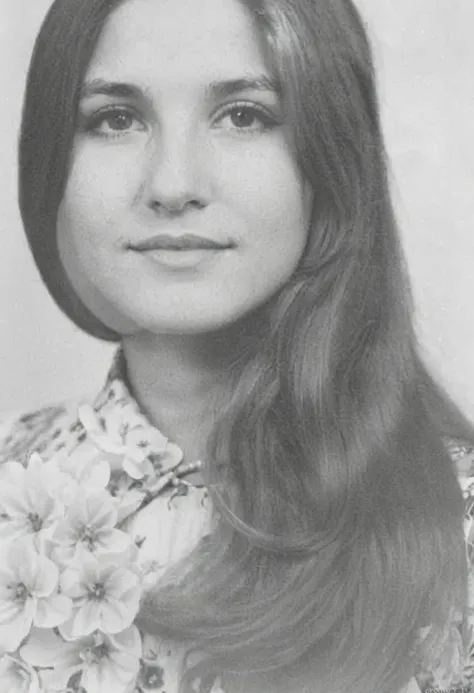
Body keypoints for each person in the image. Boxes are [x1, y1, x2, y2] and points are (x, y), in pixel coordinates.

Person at [0, 0, 473, 691]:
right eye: (115, 119)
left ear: (331, 161)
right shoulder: (12, 488)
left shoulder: (457, 521)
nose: (173, 185)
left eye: (245, 115)